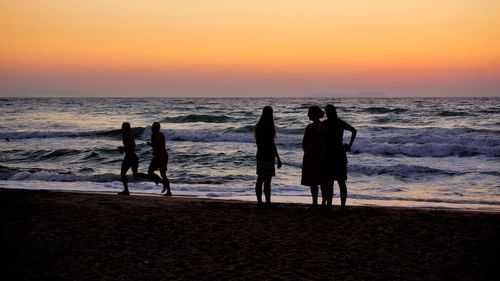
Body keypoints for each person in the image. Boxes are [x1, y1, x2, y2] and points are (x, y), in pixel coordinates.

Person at [322, 104, 356, 211]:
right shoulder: (339, 122)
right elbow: (354, 131)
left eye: (327, 112)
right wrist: (349, 145)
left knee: (329, 181)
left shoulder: (325, 123)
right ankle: (342, 206)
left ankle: (329, 205)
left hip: (328, 154)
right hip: (339, 153)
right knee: (341, 181)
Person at [254, 106, 282, 207]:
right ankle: (267, 202)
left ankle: (260, 202)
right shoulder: (269, 127)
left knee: (260, 179)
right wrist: (278, 158)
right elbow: (272, 144)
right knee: (267, 181)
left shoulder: (259, 127)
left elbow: (259, 143)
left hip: (261, 155)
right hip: (268, 155)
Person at [301, 106, 325, 209]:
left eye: (309, 113)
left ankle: (315, 203)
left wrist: (307, 152)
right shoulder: (324, 126)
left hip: (311, 156)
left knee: (313, 181)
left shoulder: (310, 127)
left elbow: (304, 142)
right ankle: (324, 203)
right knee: (323, 180)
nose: (308, 115)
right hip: (322, 155)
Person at [147, 122, 172, 196]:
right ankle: (168, 191)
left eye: (152, 127)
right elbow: (160, 145)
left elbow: (156, 146)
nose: (151, 128)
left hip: (159, 156)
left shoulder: (154, 135)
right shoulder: (161, 134)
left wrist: (150, 144)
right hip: (164, 155)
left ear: (155, 128)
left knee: (150, 172)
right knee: (163, 174)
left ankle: (161, 182)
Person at [117, 122, 139, 195]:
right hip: (133, 156)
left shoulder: (127, 135)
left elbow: (131, 146)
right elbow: (132, 146)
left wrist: (123, 149)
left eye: (123, 127)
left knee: (123, 173)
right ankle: (152, 177)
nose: (122, 128)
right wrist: (123, 149)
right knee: (136, 174)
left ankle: (126, 190)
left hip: (130, 157)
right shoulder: (130, 134)